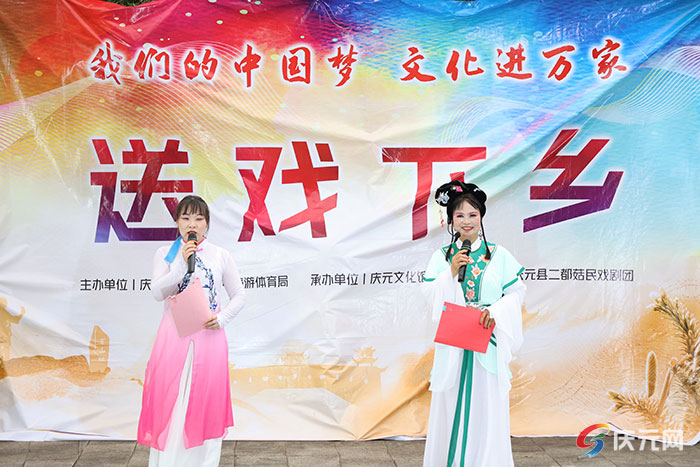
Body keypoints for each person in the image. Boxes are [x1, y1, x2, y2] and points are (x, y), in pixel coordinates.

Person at [422, 180, 526, 467]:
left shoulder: (499, 255)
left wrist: (496, 310)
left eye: (472, 214)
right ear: (450, 220)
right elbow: (429, 295)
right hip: (455, 340)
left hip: (486, 339)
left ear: (481, 217)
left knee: (486, 405)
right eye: (460, 215)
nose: (466, 221)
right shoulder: (442, 257)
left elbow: (517, 291)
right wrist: (450, 273)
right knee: (452, 402)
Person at [137, 195, 246, 467]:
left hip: (209, 339)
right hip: (174, 338)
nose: (192, 224)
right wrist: (179, 265)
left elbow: (239, 295)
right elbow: (157, 293)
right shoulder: (166, 253)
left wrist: (222, 318)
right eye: (185, 218)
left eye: (198, 218)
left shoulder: (220, 255)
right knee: (171, 402)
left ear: (207, 223)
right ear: (177, 222)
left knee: (206, 403)